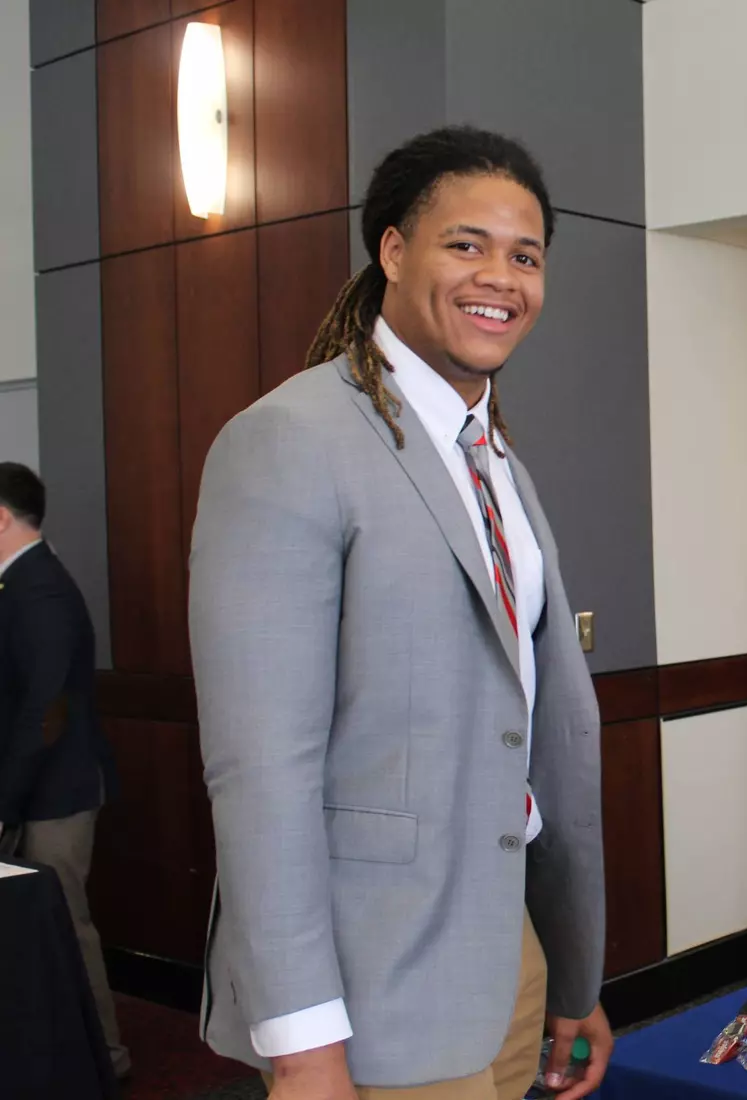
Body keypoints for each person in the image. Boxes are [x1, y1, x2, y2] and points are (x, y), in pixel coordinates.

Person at [191, 127, 610, 1100]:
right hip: (370, 987)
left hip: (510, 953)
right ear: (390, 250)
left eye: (525, 254)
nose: (499, 276)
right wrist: (300, 1042)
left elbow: (532, 722)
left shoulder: (494, 455)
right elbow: (262, 769)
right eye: (466, 244)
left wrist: (568, 970)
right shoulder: (289, 440)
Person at [0, 462, 129, 1079]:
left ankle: (105, 1058)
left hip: (56, 794)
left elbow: (44, 711)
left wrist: (4, 803)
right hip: (36, 789)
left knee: (66, 928)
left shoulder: (39, 588)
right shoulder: (17, 585)